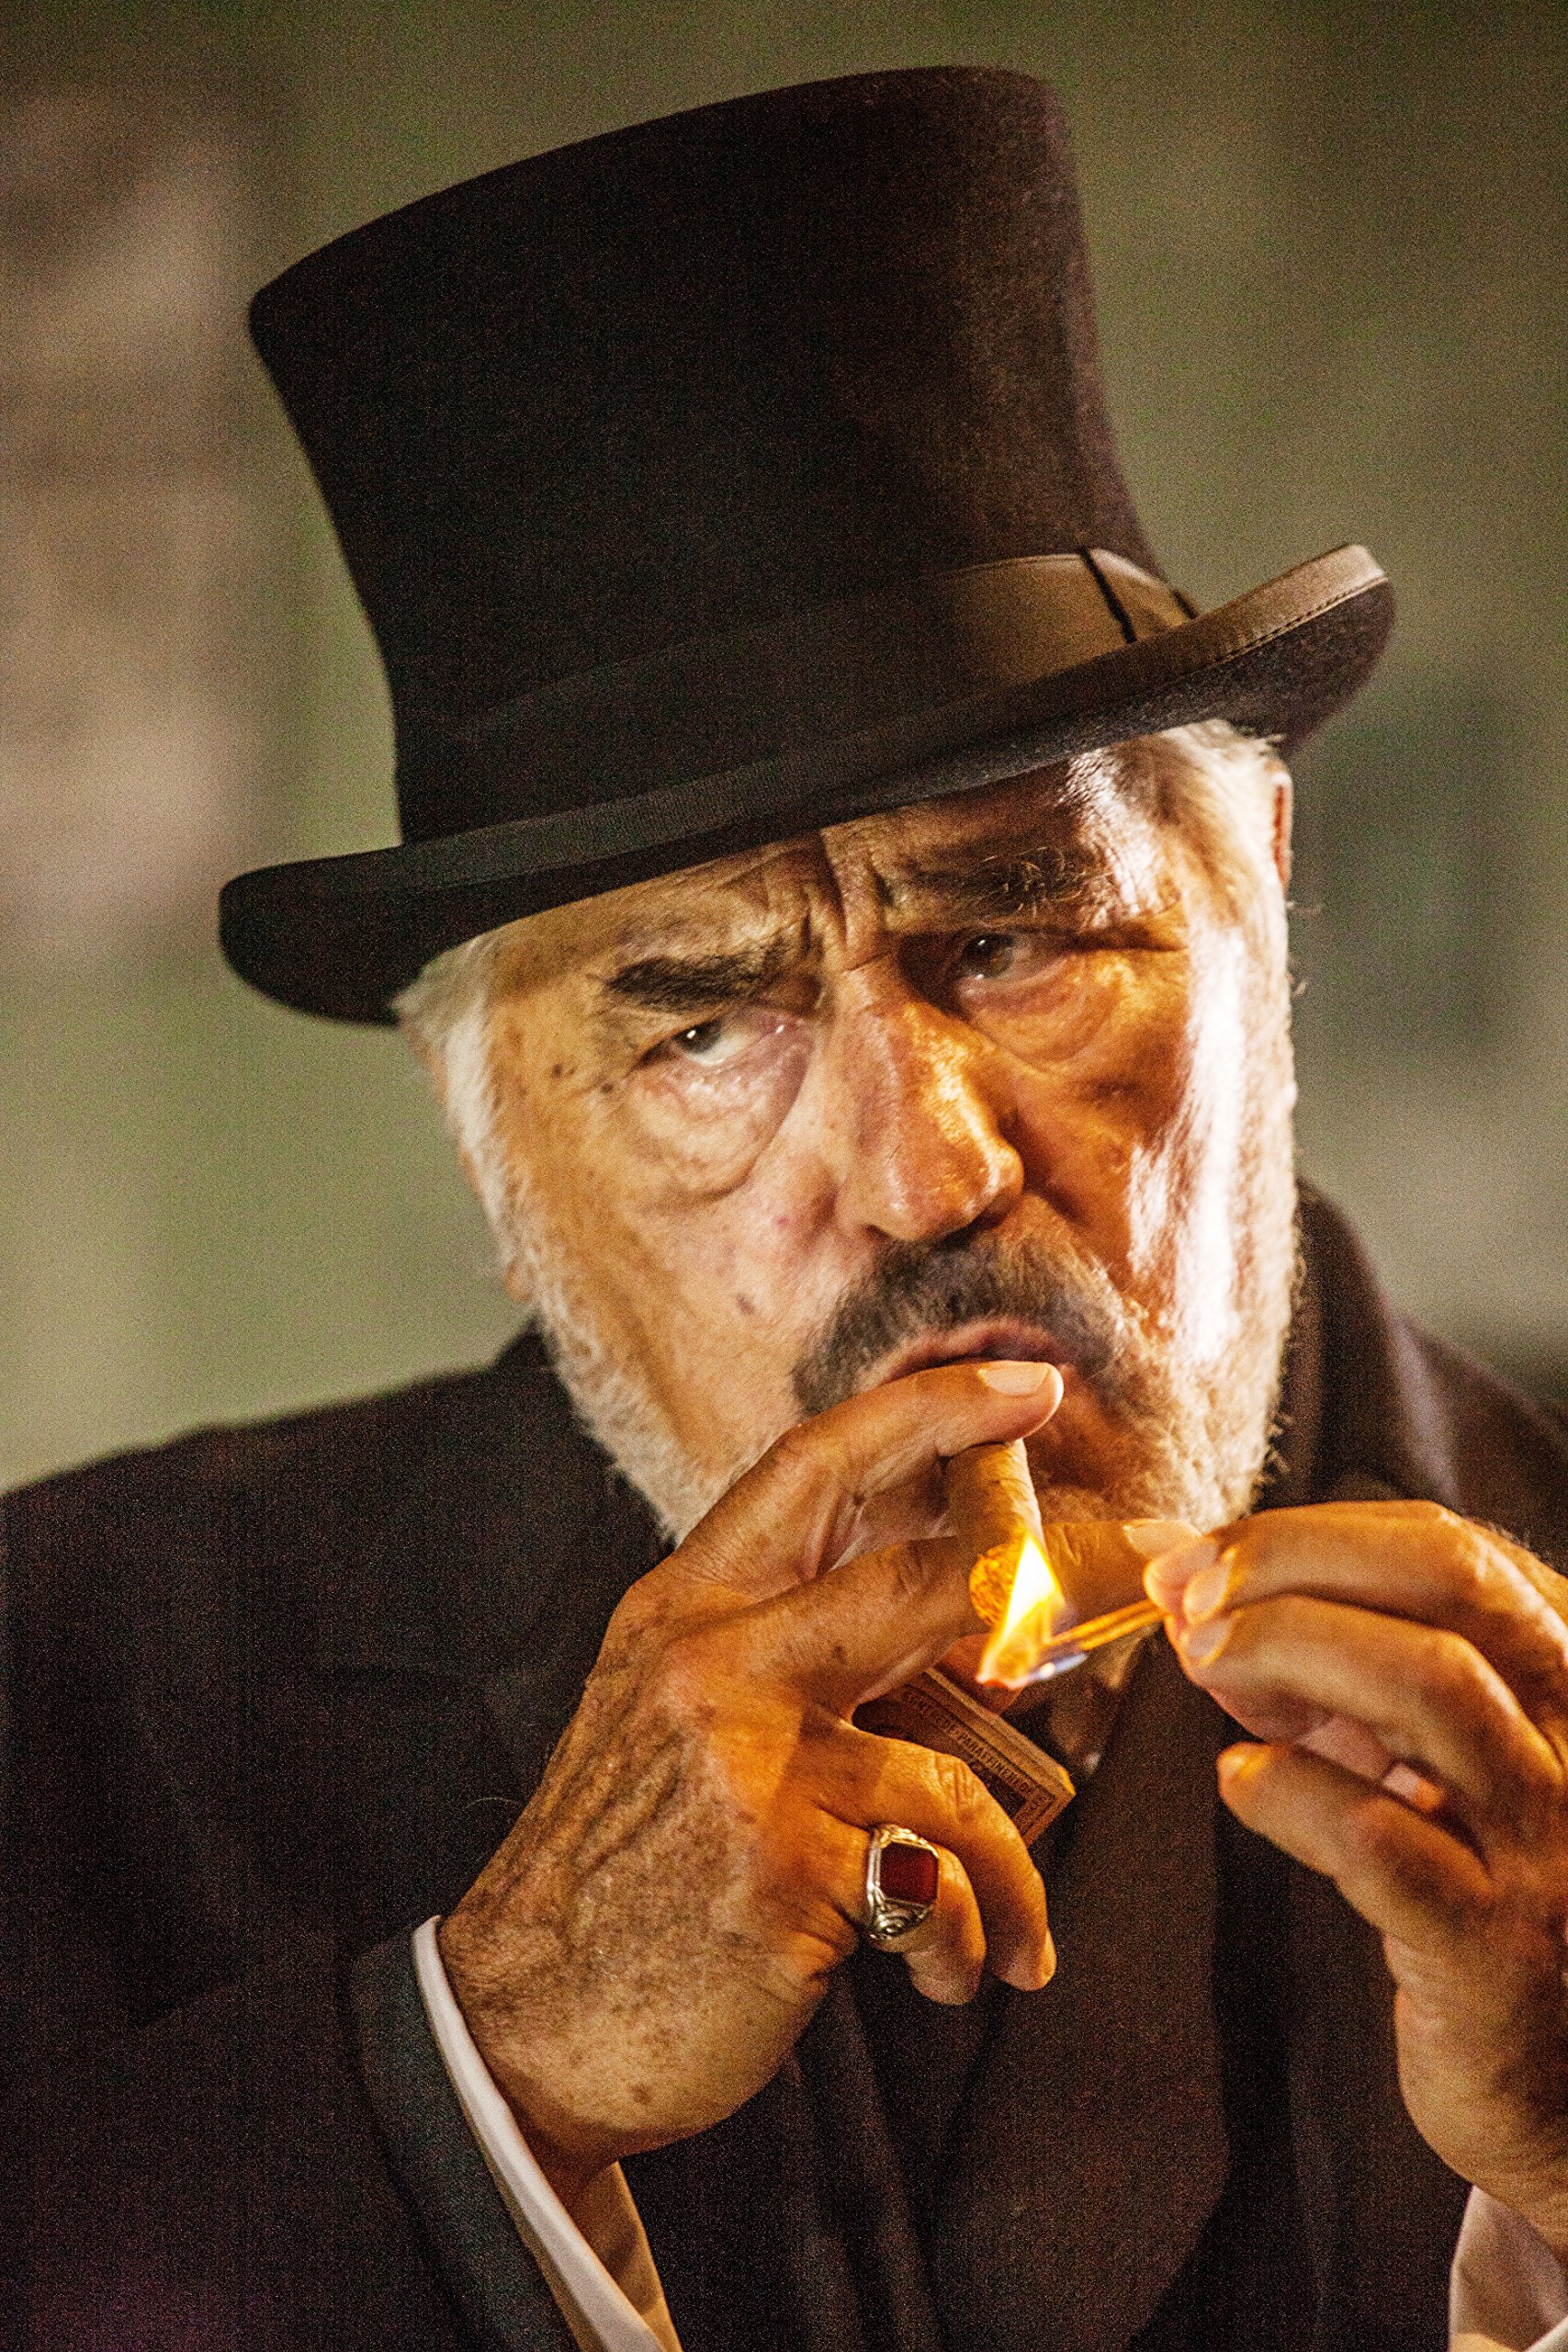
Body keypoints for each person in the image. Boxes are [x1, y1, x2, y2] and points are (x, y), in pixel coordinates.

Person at [6, 65, 1568, 2352]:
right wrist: (480, 2071)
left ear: (1255, 908)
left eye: (1014, 939)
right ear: (491, 1137)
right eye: (704, 1027)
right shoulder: (66, 1702)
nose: (927, 1171)